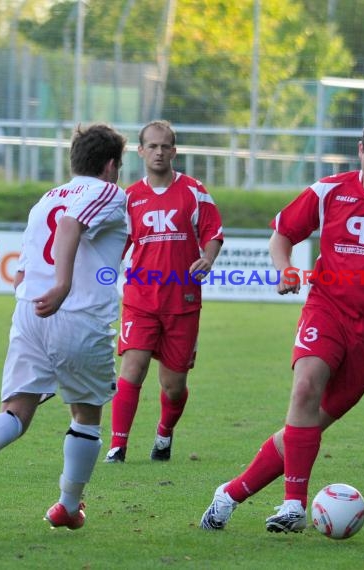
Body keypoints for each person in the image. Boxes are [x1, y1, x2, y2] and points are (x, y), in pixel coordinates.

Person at [200, 113, 364, 533]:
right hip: (327, 308)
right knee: (305, 388)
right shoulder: (329, 191)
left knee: (304, 428)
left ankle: (229, 495)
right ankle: (294, 507)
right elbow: (282, 234)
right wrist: (284, 268)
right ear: (360, 150)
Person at [0, 124, 127, 530]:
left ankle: (69, 507)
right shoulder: (106, 191)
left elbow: (27, 261)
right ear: (110, 165)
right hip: (75, 314)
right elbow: (71, 226)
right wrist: (63, 285)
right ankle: (68, 506)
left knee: (15, 413)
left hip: (30, 313)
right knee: (86, 414)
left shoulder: (47, 197)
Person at [104, 120, 223, 464]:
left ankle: (164, 434)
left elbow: (213, 231)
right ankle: (118, 446)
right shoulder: (129, 198)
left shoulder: (194, 191)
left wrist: (207, 257)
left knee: (173, 386)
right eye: (151, 146)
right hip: (141, 299)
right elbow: (116, 246)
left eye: (165, 146)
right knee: (132, 368)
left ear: (174, 151)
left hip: (182, 302)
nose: (158, 152)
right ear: (140, 151)